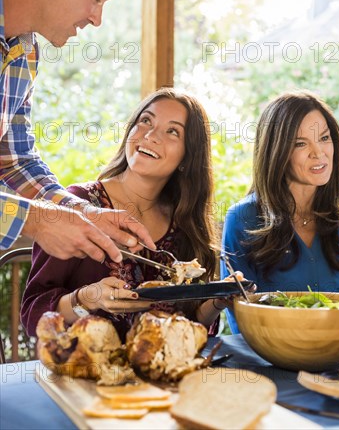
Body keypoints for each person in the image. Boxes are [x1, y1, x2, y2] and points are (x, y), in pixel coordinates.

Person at [0, 0, 155, 262]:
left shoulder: (25, 52)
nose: (97, 18)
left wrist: (83, 212)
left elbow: (14, 161)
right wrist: (35, 221)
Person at [21, 88, 235, 340]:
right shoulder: (79, 204)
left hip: (161, 372)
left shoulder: (185, 223)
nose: (151, 135)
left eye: (172, 131)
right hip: (84, 371)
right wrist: (87, 299)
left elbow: (190, 325)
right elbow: (33, 314)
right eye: (146, 120)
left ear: (187, 157)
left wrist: (219, 299)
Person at [221, 90, 339, 333]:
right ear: (276, 152)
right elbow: (242, 318)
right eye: (300, 143)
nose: (318, 153)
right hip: (272, 359)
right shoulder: (242, 219)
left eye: (324, 138)